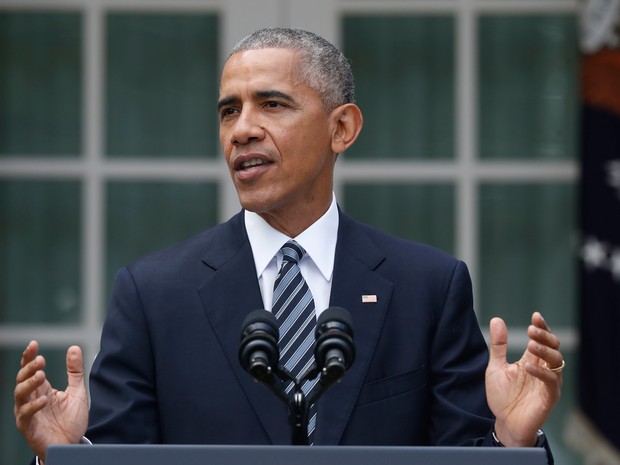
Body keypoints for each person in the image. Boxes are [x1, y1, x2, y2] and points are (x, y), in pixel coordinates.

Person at [13, 27, 563, 465]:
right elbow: (120, 460)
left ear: (341, 128)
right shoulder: (154, 295)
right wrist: (67, 457)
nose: (242, 130)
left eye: (271, 105)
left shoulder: (429, 287)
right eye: (229, 110)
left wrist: (511, 440)